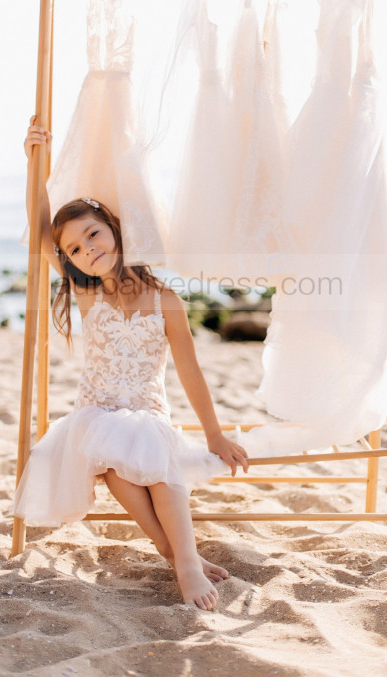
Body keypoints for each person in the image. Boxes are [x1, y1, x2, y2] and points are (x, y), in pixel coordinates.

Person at [13, 117, 249, 611]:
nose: (88, 249)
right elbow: (40, 233)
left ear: (116, 229)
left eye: (94, 234)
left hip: (147, 411)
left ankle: (183, 560)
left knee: (154, 462)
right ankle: (174, 552)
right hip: (96, 413)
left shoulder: (166, 300)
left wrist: (213, 434)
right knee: (112, 453)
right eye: (76, 248)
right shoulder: (84, 292)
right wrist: (35, 161)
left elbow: (190, 371)